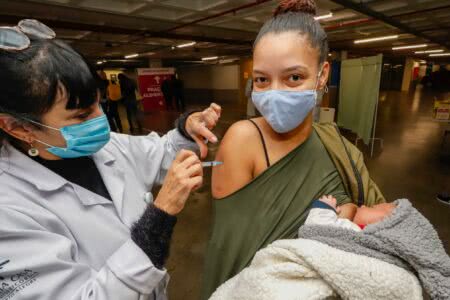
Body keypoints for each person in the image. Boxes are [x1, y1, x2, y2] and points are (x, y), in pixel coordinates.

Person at [0, 19, 221, 299]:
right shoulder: (8, 212)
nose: (100, 120)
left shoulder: (105, 146)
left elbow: (162, 152)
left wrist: (186, 127)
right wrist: (160, 216)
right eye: (80, 116)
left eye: (99, 105)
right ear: (18, 127)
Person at [201, 0, 386, 298]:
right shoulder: (243, 140)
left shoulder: (337, 147)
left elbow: (378, 218)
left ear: (322, 75)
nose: (275, 92)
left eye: (294, 77)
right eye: (262, 79)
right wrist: (342, 217)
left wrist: (351, 213)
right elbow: (235, 253)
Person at [209, 196, 450, 299]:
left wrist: (323, 207)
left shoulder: (358, 236)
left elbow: (317, 227)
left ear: (390, 227)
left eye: (379, 205)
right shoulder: (357, 237)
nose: (366, 202)